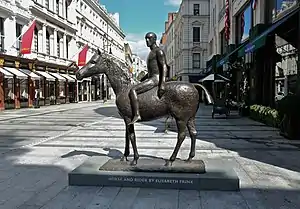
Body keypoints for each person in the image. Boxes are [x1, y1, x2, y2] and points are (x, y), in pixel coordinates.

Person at [128, 32, 168, 125]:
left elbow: (164, 67)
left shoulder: (158, 51)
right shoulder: (151, 52)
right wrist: (142, 79)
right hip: (152, 77)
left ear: (154, 39)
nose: (147, 40)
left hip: (155, 79)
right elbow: (152, 70)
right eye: (146, 38)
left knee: (133, 90)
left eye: (149, 38)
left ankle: (137, 114)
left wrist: (162, 83)